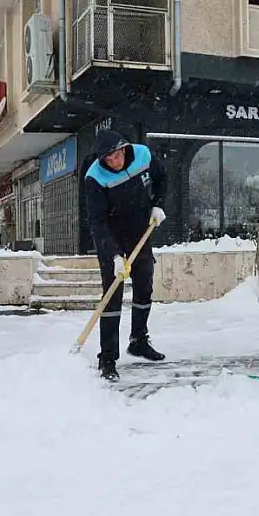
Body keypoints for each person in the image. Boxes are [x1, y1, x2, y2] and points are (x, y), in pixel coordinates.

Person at [84, 129, 168, 381]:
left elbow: (162, 178)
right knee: (112, 296)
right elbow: (97, 222)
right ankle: (107, 358)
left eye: (117, 156)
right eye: (109, 159)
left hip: (140, 232)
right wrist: (114, 256)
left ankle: (138, 340)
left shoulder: (142, 154)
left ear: (124, 149)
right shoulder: (94, 178)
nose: (115, 162)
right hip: (111, 237)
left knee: (144, 285)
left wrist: (158, 204)